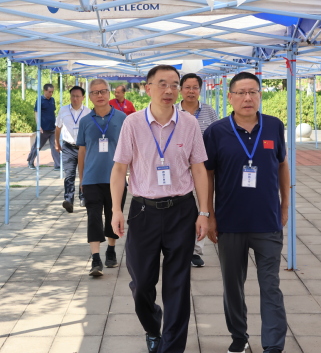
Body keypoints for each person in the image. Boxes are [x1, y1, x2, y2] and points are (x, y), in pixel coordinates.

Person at [111, 65, 210, 353]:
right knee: (142, 282)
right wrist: (116, 209)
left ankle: (172, 347)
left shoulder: (189, 123)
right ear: (148, 88)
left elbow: (199, 169)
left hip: (181, 210)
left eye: (174, 84)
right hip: (144, 211)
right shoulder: (133, 123)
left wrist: (204, 212)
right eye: (162, 84)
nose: (169, 90)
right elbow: (119, 169)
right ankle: (153, 327)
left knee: (178, 284)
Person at [203, 72, 289, 353]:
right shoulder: (216, 131)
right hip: (230, 222)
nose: (247, 98)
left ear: (260, 95)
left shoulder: (274, 126)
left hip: (267, 221)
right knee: (233, 286)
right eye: (241, 93)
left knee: (270, 286)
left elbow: (282, 165)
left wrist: (285, 206)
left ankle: (273, 346)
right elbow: (207, 175)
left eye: (253, 92)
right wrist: (209, 214)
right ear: (230, 97)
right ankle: (239, 337)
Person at [77, 79, 127, 277]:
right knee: (93, 217)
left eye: (103, 91)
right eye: (95, 92)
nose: (99, 95)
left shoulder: (122, 118)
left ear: (109, 93)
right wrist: (81, 179)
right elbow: (82, 151)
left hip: (116, 178)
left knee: (114, 215)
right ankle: (96, 259)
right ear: (89, 96)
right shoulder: (85, 121)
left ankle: (111, 250)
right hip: (91, 178)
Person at [174, 73, 218, 268]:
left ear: (200, 90)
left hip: (204, 167)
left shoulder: (209, 112)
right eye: (187, 87)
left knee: (203, 206)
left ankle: (196, 250)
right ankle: (179, 246)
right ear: (181, 89)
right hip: (179, 166)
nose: (191, 91)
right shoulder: (173, 111)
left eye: (195, 88)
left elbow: (217, 136)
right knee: (181, 206)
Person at [55, 86, 90, 213]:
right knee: (69, 174)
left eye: (77, 96)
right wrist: (56, 143)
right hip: (68, 147)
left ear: (83, 97)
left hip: (83, 148)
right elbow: (58, 127)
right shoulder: (63, 110)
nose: (75, 99)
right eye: (73, 96)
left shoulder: (88, 112)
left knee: (84, 173)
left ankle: (83, 197)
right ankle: (69, 200)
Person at [27, 83, 60, 170]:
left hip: (52, 128)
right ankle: (30, 161)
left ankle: (58, 164)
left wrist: (56, 123)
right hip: (43, 129)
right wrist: (38, 125)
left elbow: (53, 112)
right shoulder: (40, 100)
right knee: (38, 146)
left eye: (52, 92)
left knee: (55, 146)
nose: (51, 93)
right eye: (49, 92)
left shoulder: (52, 100)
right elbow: (36, 113)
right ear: (44, 91)